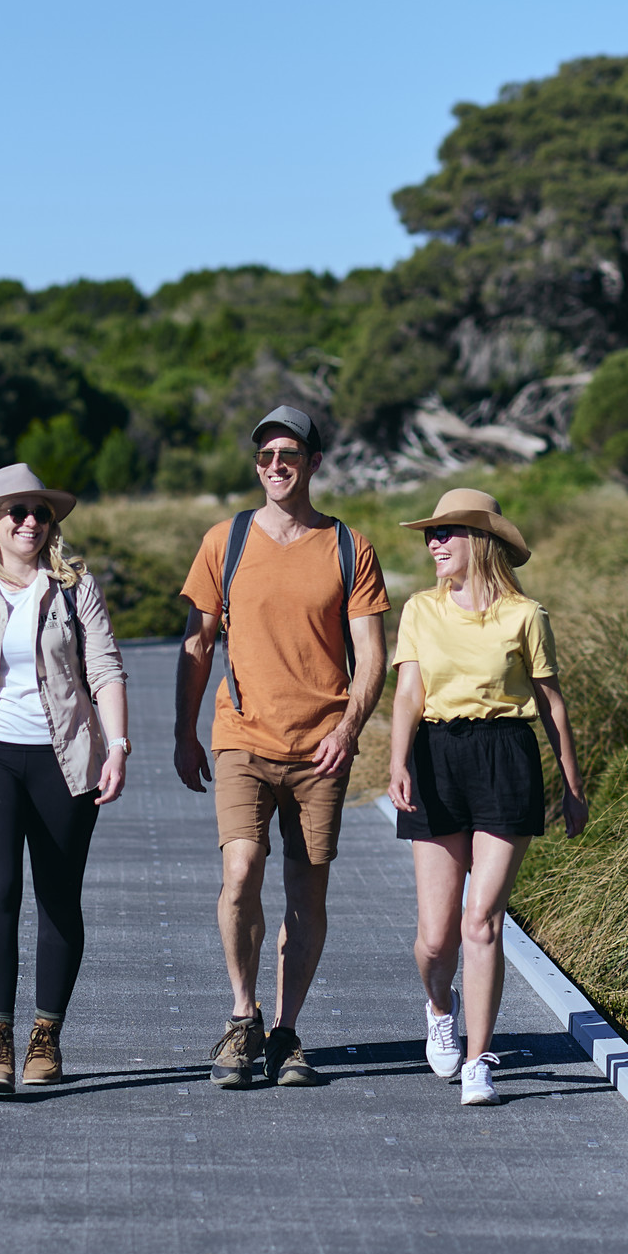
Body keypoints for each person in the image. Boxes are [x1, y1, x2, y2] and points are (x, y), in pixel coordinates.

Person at [174, 403, 389, 1091]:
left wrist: (347, 730)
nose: (275, 466)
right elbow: (198, 641)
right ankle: (243, 1017)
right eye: (265, 456)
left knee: (306, 894)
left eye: (288, 455)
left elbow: (372, 656)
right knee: (240, 873)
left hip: (320, 745)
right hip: (241, 735)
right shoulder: (225, 539)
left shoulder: (349, 546)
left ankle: (287, 1031)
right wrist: (183, 731)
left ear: (313, 463)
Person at [0, 462, 131, 1099]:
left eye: (39, 512)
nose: (29, 522)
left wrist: (117, 747)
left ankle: (46, 1036)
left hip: (65, 759)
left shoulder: (75, 589)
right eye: (15, 512)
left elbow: (106, 670)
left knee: (59, 899)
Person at [384, 487, 588, 1107]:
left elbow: (551, 703)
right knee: (435, 937)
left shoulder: (526, 615)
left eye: (448, 533)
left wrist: (573, 786)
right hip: (437, 758)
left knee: (483, 921)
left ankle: (478, 1060)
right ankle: (439, 1008)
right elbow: (409, 696)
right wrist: (397, 762)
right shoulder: (420, 608)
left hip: (506, 757)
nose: (434, 543)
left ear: (482, 542)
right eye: (431, 534)